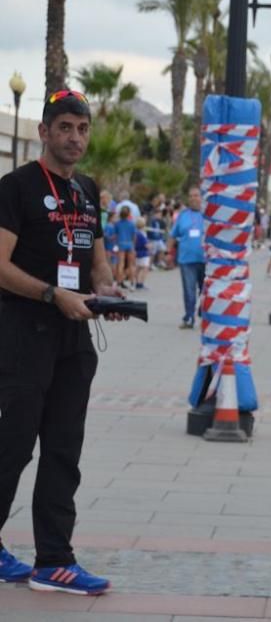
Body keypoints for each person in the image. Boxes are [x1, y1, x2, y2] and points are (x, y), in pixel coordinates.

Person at [0, 89, 123, 595]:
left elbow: (96, 261)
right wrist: (53, 295)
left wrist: (109, 290)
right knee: (12, 446)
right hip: (23, 334)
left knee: (63, 451)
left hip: (74, 337)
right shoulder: (17, 187)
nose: (75, 137)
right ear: (44, 131)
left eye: (82, 129)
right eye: (65, 127)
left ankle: (55, 559)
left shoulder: (88, 190)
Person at [168, 187, 206, 329]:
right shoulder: (183, 216)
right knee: (189, 291)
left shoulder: (208, 214)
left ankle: (204, 313)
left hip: (205, 260)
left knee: (205, 290)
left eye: (196, 195)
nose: (193, 198)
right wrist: (168, 253)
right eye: (190, 196)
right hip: (186, 260)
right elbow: (173, 235)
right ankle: (189, 317)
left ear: (201, 198)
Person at [115, 204, 136, 289]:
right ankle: (132, 282)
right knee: (131, 264)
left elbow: (116, 234)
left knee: (121, 264)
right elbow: (134, 236)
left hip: (121, 243)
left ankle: (119, 282)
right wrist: (133, 246)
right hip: (129, 243)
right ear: (128, 214)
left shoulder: (117, 224)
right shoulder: (131, 223)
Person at [134, 216, 150, 290]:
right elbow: (146, 245)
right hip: (144, 253)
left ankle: (137, 282)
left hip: (138, 252)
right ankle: (141, 283)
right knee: (145, 268)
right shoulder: (142, 234)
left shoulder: (136, 233)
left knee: (138, 268)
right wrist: (150, 246)